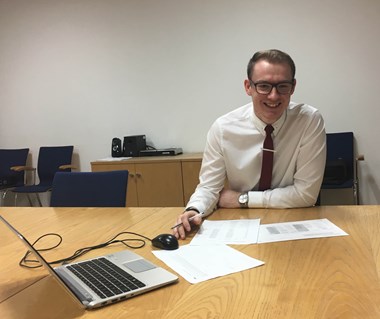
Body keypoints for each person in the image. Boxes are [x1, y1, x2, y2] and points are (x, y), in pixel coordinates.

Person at [173, 49, 326, 239]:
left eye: (283, 86)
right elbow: (209, 188)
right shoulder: (223, 129)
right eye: (263, 86)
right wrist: (194, 209)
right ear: (248, 87)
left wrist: (242, 199)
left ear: (293, 87)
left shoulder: (309, 121)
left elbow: (306, 194)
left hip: (293, 219)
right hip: (241, 223)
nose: (273, 96)